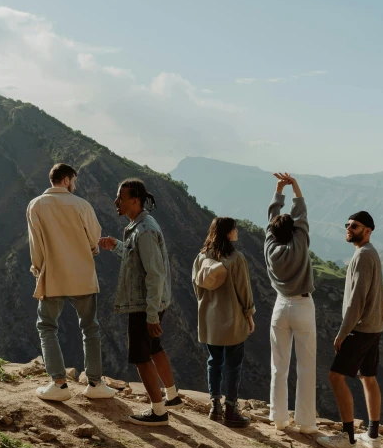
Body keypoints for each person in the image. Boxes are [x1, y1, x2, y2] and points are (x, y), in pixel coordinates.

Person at [26, 163, 115, 402]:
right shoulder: (81, 204)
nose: (74, 185)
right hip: (82, 275)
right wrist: (93, 248)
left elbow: (35, 244)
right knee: (90, 327)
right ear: (66, 180)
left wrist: (38, 269)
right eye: (73, 180)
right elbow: (94, 236)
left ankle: (58, 383)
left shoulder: (35, 205)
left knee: (47, 326)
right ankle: (95, 383)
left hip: (53, 274)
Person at [98, 178, 181, 426]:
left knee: (140, 356)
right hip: (153, 302)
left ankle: (158, 412)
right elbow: (140, 261)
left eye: (120, 198)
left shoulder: (143, 231)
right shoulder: (141, 226)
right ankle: (172, 395)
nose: (116, 202)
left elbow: (154, 274)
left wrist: (151, 316)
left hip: (144, 304)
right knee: (154, 347)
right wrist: (116, 246)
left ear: (134, 200)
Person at [317, 211, 383, 448]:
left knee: (336, 377)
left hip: (360, 329)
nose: (348, 228)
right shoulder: (370, 253)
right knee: (368, 376)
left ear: (367, 230)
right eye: (347, 224)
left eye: (354, 226)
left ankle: (347, 437)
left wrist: (342, 333)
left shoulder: (363, 256)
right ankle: (373, 436)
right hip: (374, 327)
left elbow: (358, 299)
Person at [265, 172, 318, 434]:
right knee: (306, 366)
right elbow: (301, 216)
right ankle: (307, 423)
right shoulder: (300, 243)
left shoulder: (269, 247)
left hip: (280, 306)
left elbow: (271, 221)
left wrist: (278, 192)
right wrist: (294, 186)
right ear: (295, 231)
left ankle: (279, 419)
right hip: (302, 306)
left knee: (279, 366)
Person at [192, 217, 256, 428]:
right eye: (235, 229)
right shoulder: (236, 258)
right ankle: (230, 409)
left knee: (214, 362)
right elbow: (243, 290)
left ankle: (214, 406)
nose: (237, 231)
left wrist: (207, 306)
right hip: (233, 319)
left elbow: (197, 288)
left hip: (210, 319)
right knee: (233, 366)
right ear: (229, 232)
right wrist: (249, 314)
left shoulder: (201, 258)